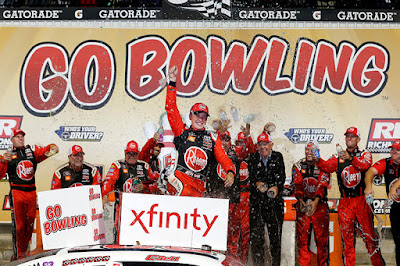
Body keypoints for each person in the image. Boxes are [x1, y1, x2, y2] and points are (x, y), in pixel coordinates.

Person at [314, 127, 385, 266]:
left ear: (358, 139)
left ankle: (378, 264)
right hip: (345, 202)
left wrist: (351, 158)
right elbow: (327, 167)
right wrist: (318, 159)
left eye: (352, 136)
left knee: (369, 237)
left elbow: (365, 166)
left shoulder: (365, 153)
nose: (349, 139)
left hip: (361, 200)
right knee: (347, 239)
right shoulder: (337, 156)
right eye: (347, 136)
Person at [165, 66, 236, 197]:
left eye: (204, 117)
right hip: (179, 179)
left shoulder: (212, 137)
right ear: (191, 116)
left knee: (198, 208)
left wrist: (230, 171)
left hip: (198, 185)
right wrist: (172, 82)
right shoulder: (182, 131)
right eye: (197, 115)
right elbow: (171, 108)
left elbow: (223, 158)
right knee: (184, 194)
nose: (200, 119)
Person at [0, 129, 59, 260]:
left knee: (29, 224)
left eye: (22, 136)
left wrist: (53, 148)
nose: (20, 139)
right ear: (11, 140)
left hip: (32, 192)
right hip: (17, 192)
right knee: (19, 226)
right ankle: (17, 255)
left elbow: (46, 151)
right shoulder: (8, 154)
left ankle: (23, 253)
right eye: (17, 137)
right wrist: (3, 161)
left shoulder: (31, 150)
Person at [101, 140, 158, 242]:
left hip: (142, 208)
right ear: (125, 153)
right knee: (121, 234)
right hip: (122, 207)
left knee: (141, 235)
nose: (131, 156)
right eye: (129, 153)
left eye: (134, 153)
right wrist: (105, 196)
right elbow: (108, 182)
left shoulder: (145, 166)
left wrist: (145, 187)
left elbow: (156, 185)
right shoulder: (117, 165)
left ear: (138, 154)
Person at [247, 132, 285, 266]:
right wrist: (257, 184)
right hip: (257, 205)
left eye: (266, 144)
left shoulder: (278, 157)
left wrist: (276, 187)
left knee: (276, 240)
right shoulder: (252, 158)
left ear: (271, 145)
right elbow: (251, 179)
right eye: (260, 144)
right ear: (257, 146)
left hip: (274, 205)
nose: (263, 147)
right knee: (257, 241)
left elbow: (281, 177)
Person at [292, 140, 330, 265]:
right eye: (307, 149)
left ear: (318, 151)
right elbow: (297, 185)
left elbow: (322, 185)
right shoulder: (298, 165)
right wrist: (301, 200)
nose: (309, 152)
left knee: (322, 242)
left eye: (313, 150)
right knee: (302, 241)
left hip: (320, 205)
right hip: (304, 204)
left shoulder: (323, 165)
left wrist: (316, 201)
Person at [365, 138, 400, 265]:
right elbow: (370, 172)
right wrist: (369, 186)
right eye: (392, 149)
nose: (394, 151)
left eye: (397, 149)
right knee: (398, 242)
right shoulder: (386, 162)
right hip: (396, 208)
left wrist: (394, 188)